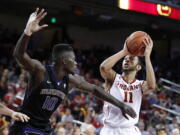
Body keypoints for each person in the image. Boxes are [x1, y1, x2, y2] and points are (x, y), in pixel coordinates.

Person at [9, 8, 136, 135]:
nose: (76, 63)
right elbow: (19, 55)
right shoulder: (40, 71)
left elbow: (96, 89)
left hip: (44, 129)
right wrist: (27, 32)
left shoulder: (72, 80)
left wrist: (121, 105)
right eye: (74, 60)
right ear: (64, 61)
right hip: (24, 125)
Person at [99, 35, 156, 135]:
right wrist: (124, 51)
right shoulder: (113, 78)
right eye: (125, 59)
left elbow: (152, 85)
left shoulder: (139, 85)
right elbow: (103, 67)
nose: (127, 60)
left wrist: (147, 56)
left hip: (129, 130)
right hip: (111, 130)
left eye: (131, 59)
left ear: (138, 67)